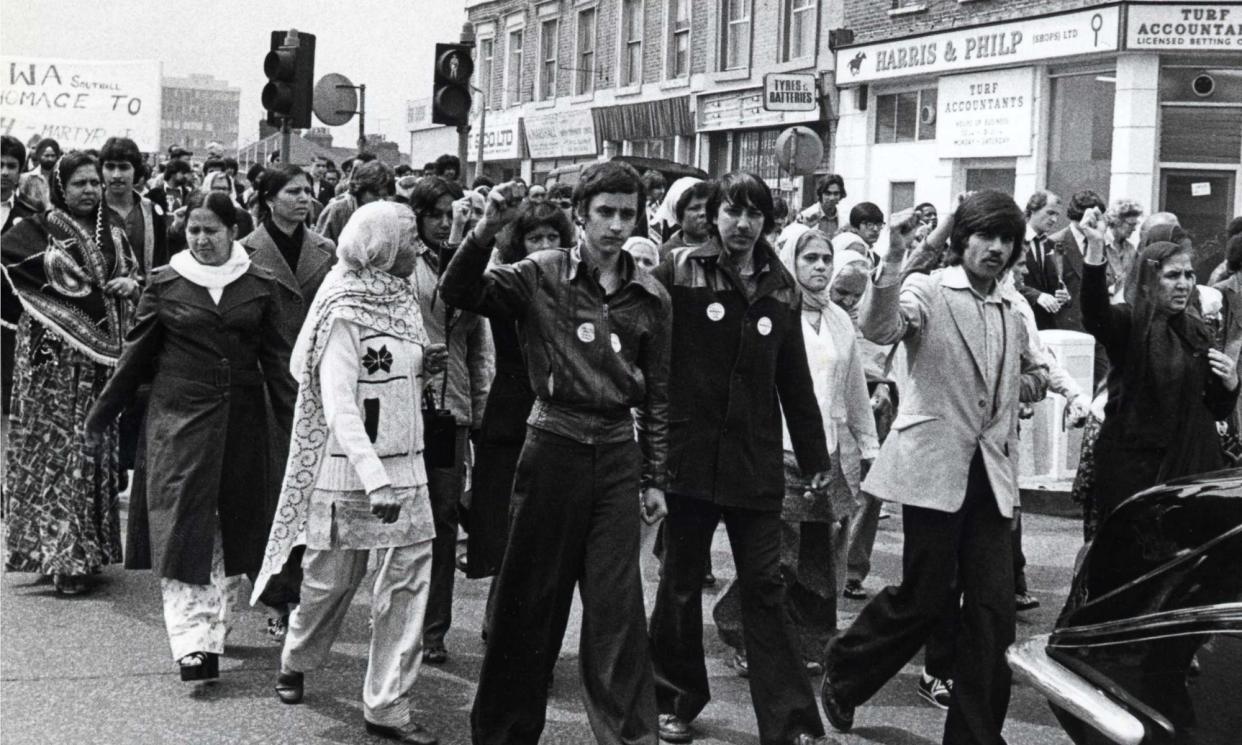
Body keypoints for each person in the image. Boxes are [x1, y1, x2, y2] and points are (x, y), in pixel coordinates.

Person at [441, 164, 671, 745]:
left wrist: (655, 479)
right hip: (552, 446)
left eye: (628, 213)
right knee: (529, 603)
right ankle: (503, 733)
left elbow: (661, 395)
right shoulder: (542, 273)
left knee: (618, 611)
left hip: (619, 452)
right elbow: (460, 292)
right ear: (580, 216)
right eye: (606, 213)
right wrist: (485, 230)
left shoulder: (652, 295)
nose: (618, 226)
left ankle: (628, 737)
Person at [820, 193, 1049, 745]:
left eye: (1006, 241)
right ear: (962, 239)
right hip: (932, 469)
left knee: (994, 614)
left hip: (990, 476)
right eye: (985, 237)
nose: (995, 249)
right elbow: (879, 327)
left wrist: (1027, 383)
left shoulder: (1010, 307)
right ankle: (846, 672)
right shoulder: (930, 288)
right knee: (926, 598)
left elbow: (1031, 374)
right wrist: (894, 257)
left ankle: (973, 736)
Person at [649, 172, 834, 745]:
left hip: (755, 462)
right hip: (688, 456)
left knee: (766, 586)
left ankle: (792, 722)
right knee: (679, 585)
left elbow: (793, 376)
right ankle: (675, 701)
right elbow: (647, 349)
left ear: (768, 223)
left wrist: (814, 455)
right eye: (732, 211)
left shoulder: (781, 285)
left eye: (755, 214)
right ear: (712, 215)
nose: (742, 223)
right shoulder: (678, 269)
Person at [81, 191, 297, 680]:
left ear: (232, 232)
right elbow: (133, 359)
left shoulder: (260, 285)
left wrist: (301, 427)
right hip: (178, 421)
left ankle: (211, 632)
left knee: (228, 525)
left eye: (211, 231)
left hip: (243, 424)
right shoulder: (165, 283)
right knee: (182, 525)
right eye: (193, 230)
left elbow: (280, 367)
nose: (200, 240)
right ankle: (191, 643)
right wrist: (99, 419)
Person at [255, 202, 446, 745]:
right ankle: (297, 655)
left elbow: (394, 371)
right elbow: (338, 405)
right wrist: (373, 477)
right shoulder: (341, 307)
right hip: (350, 473)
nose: (420, 249)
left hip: (408, 470)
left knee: (408, 586)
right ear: (382, 246)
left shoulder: (401, 296)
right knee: (329, 583)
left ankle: (387, 706)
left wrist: (421, 366)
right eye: (410, 240)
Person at [2, 151, 139, 595]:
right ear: (61, 186)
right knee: (53, 453)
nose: (89, 190)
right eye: (79, 183)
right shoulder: (35, 231)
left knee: (89, 451)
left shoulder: (115, 233)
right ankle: (58, 554)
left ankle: (81, 551)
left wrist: (129, 285)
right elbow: (18, 278)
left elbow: (132, 276)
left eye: (94, 183)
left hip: (99, 365)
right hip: (49, 366)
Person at [1081, 214, 1237, 528]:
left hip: (1192, 471)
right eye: (1172, 275)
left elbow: (1215, 407)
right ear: (1151, 279)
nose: (1184, 284)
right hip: (1138, 473)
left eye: (1189, 275)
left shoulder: (1195, 329)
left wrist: (1231, 383)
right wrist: (1096, 249)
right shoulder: (1129, 323)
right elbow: (1095, 314)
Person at [464, 201, 575, 631]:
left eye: (553, 238)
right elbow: (465, 288)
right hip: (511, 416)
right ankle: (501, 628)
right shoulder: (507, 285)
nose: (546, 246)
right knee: (508, 536)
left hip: (562, 416)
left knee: (549, 538)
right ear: (518, 244)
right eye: (535, 238)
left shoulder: (576, 286)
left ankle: (534, 638)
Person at [407, 176, 495, 665]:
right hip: (401, 404)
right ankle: (395, 612)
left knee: (441, 515)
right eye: (435, 213)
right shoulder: (401, 261)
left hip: (447, 411)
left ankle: (434, 628)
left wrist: (479, 407)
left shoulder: (468, 264)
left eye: (450, 213)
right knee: (400, 514)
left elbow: (480, 346)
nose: (444, 222)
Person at [1, 136, 41, 423]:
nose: (4, 172)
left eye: (11, 166)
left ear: (20, 171)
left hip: (8, 323)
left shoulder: (29, 217)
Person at [99, 137, 169, 275]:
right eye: (110, 167)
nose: (116, 175)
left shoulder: (152, 212)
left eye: (124, 167)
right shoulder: (90, 210)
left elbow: (161, 264)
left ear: (136, 170)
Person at [1018, 190, 1069, 331]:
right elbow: (1003, 282)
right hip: (1019, 322)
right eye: (1050, 213)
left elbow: (1051, 285)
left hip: (1044, 327)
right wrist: (1037, 296)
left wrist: (1062, 295)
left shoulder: (1049, 245)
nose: (1054, 220)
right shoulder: (1013, 239)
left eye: (1057, 215)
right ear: (1033, 209)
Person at [315, 160, 394, 243]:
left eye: (384, 196)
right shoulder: (337, 209)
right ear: (361, 188)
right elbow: (320, 246)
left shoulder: (385, 213)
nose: (380, 201)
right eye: (375, 195)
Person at [659, 180, 717, 259]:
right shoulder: (667, 253)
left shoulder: (722, 248)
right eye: (695, 208)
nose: (704, 213)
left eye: (708, 207)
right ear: (679, 217)